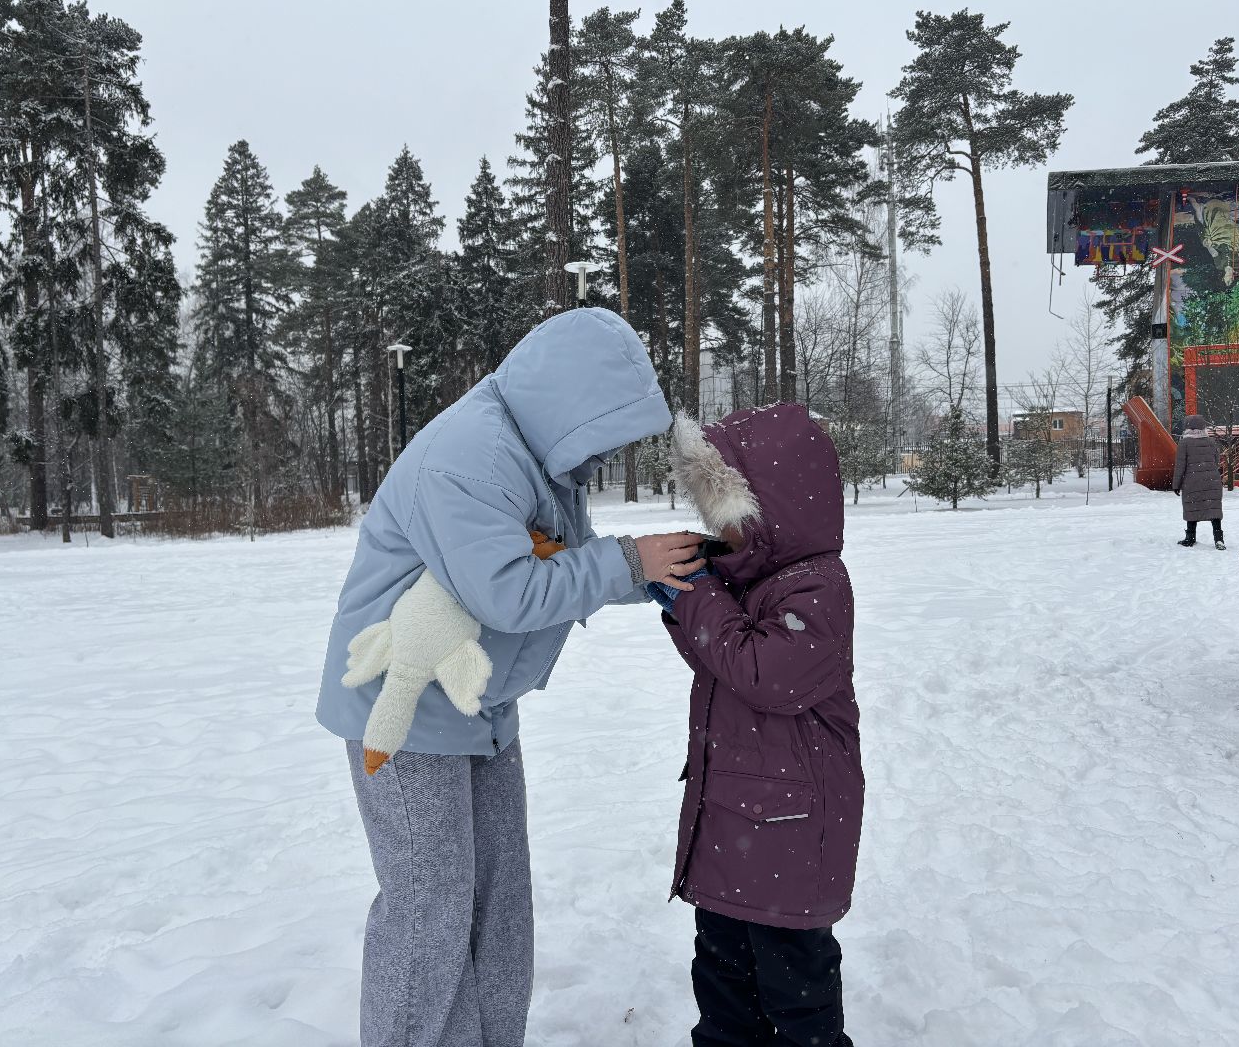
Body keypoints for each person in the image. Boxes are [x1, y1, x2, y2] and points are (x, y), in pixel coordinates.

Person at [315, 307, 706, 1047]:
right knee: (429, 905)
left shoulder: (540, 455)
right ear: (572, 402)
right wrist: (628, 560)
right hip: (403, 707)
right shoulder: (469, 456)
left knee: (499, 900)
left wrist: (658, 574)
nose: (607, 454)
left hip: (481, 704)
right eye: (607, 430)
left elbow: (561, 563)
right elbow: (510, 592)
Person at [658, 405, 863, 1047]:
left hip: (790, 832)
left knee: (795, 983)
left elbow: (766, 675)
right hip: (731, 819)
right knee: (722, 978)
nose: (722, 534)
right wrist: (688, 596)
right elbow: (717, 659)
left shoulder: (818, 588)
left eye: (732, 522)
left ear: (775, 510)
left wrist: (696, 597)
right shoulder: (746, 582)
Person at [1173, 413, 1225, 549]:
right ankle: (1219, 539)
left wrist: (1176, 485)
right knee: (1214, 510)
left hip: (1192, 481)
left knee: (1192, 507)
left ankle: (1190, 537)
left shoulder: (1184, 443)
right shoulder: (1211, 442)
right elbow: (1216, 461)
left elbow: (1180, 465)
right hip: (1212, 481)